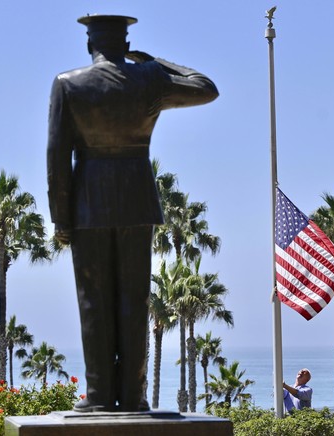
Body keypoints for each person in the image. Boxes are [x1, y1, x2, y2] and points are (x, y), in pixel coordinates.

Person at [46, 14, 218, 412]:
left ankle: (99, 396)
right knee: (134, 301)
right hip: (137, 197)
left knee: (94, 302)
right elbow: (206, 88)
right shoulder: (149, 79)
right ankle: (134, 396)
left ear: (90, 45)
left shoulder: (68, 84)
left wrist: (61, 217)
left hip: (88, 200)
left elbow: (56, 156)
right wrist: (156, 62)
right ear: (125, 44)